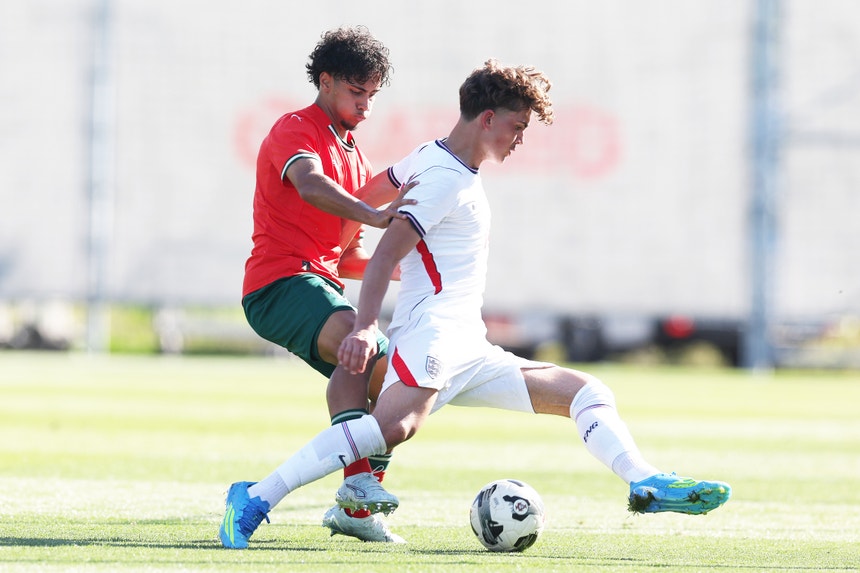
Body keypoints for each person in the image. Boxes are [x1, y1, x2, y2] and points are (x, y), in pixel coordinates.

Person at [219, 59, 731, 550]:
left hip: (469, 343)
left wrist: (373, 250)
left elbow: (370, 197)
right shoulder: (443, 177)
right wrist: (364, 322)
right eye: (516, 125)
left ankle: (646, 482)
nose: (519, 139)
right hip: (433, 335)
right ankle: (257, 497)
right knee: (392, 427)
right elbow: (381, 253)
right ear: (487, 119)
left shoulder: (433, 158)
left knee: (584, 391)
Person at [232, 26, 415, 544]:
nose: (366, 106)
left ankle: (355, 512)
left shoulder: (354, 154)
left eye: (373, 96)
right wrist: (376, 214)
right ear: (327, 81)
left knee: (390, 384)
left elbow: (350, 254)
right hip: (278, 285)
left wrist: (413, 271)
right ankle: (356, 485)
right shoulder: (295, 128)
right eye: (358, 93)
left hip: (318, 285)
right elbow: (311, 186)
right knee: (365, 351)